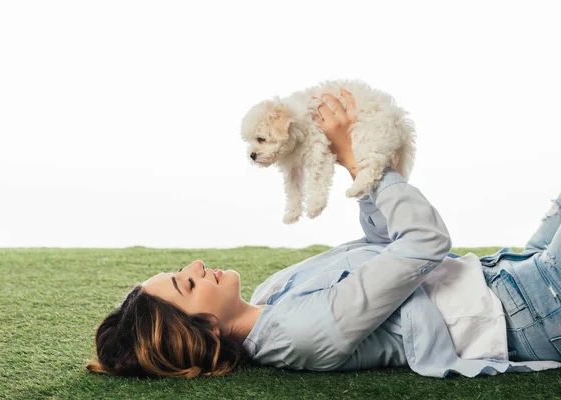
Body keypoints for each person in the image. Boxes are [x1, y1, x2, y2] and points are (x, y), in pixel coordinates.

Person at [86, 90, 561, 379]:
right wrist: (359, 161)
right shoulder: (304, 333)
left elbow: (384, 246)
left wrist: (363, 165)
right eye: (187, 284)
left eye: (179, 271)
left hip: (513, 272)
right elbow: (426, 243)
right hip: (532, 311)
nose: (194, 267)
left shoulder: (272, 293)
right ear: (206, 329)